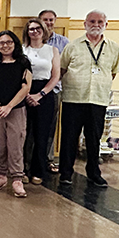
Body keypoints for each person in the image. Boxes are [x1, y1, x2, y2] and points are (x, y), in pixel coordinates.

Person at [59, 10, 119, 187]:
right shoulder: (72, 46)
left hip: (98, 100)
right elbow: (62, 69)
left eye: (100, 21)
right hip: (73, 99)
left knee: (94, 139)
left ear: (106, 25)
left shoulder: (113, 48)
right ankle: (66, 173)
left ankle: (94, 173)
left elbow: (113, 72)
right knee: (69, 138)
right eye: (92, 21)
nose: (96, 24)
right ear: (84, 24)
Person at [0, 31, 32, 198]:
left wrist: (9, 106)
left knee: (15, 144)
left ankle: (17, 179)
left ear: (15, 44)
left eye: (9, 42)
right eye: (1, 43)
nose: (5, 45)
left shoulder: (23, 62)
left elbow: (26, 87)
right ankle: (1, 174)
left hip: (16, 110)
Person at [22, 18, 60, 185]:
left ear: (44, 31)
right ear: (27, 32)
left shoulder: (52, 50)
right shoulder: (22, 50)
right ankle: (21, 169)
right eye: (31, 29)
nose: (34, 31)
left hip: (45, 94)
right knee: (23, 135)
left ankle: (38, 170)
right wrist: (27, 94)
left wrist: (40, 94)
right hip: (23, 93)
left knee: (41, 135)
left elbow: (56, 75)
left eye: (38, 28)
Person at [39, 9, 70, 174]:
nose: (48, 23)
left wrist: (52, 83)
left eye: (51, 20)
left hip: (54, 90)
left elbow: (65, 68)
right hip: (31, 92)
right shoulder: (30, 41)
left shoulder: (63, 42)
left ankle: (48, 159)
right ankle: (29, 160)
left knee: (50, 126)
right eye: (45, 19)